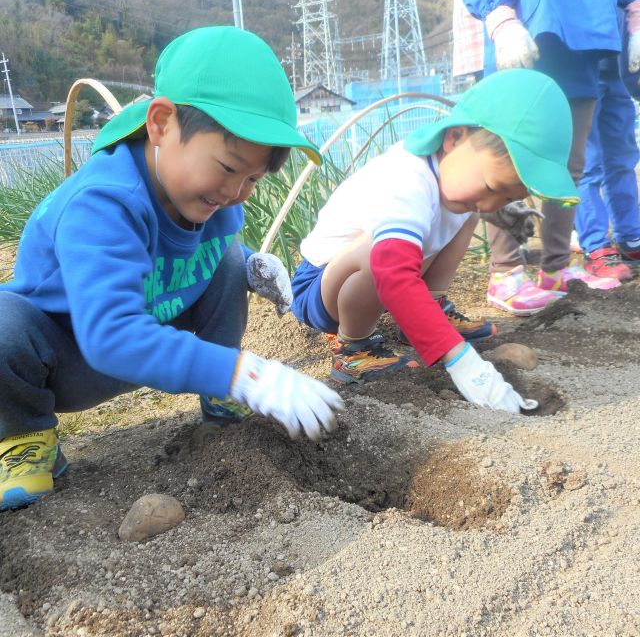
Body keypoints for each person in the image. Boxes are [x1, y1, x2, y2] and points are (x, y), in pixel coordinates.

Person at [0, 27, 344, 511]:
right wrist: (245, 373)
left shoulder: (211, 200)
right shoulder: (102, 204)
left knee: (226, 256)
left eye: (253, 178)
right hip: (69, 355)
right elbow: (111, 336)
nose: (236, 191)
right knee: (4, 325)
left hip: (158, 331)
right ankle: (25, 436)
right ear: (161, 124)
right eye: (227, 167)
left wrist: (249, 266)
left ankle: (219, 400)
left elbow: (194, 254)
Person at [291, 68, 576, 413]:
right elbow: (393, 273)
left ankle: (430, 307)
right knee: (378, 251)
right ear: (454, 138)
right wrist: (459, 358)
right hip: (320, 290)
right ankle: (354, 349)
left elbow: (470, 206)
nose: (490, 204)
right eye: (490, 187)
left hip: (368, 282)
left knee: (466, 210)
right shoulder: (406, 179)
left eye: (505, 198)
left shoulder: (454, 179)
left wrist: (493, 208)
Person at [464, 0, 640, 315]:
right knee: (507, 157)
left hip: (587, 37)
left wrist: (635, 12)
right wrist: (498, 13)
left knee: (570, 165)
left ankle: (555, 271)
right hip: (523, 27)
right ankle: (506, 271)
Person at [575, 55, 640, 280]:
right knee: (586, 161)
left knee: (623, 157)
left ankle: (631, 237)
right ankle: (596, 246)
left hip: (620, 66)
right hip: (580, 63)